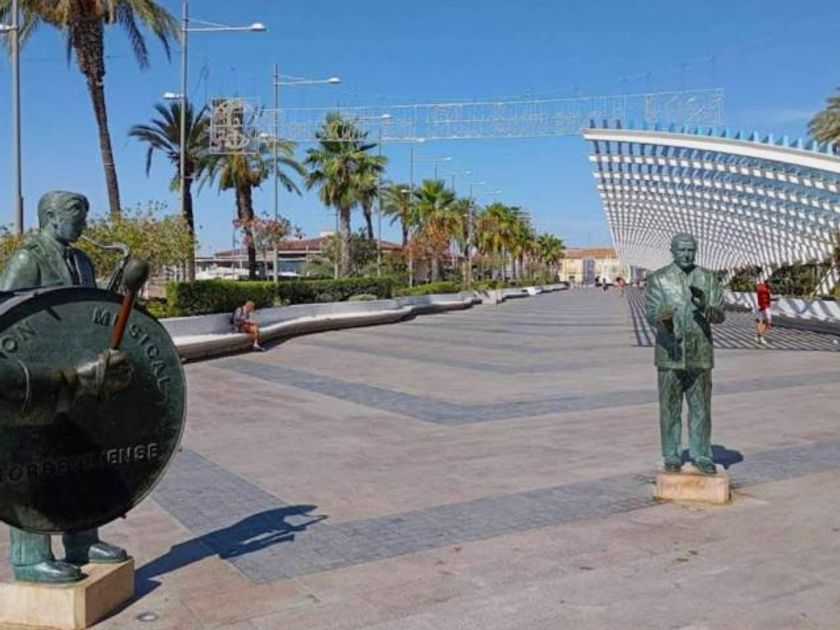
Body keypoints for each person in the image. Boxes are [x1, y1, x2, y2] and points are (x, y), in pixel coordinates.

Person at [0, 191, 132, 583]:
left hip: (77, 376)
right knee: (31, 466)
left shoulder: (83, 261)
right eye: (78, 214)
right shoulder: (28, 259)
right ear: (51, 216)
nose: (85, 223)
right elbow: (8, 317)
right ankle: (30, 558)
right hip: (38, 378)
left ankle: (82, 542)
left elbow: (86, 314)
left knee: (81, 461)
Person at [644, 233, 725, 475]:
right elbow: (651, 313)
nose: (687, 254)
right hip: (670, 353)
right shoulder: (658, 279)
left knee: (701, 408)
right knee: (669, 407)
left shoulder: (708, 278)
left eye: (691, 250)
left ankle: (701, 454)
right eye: (682, 250)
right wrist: (664, 318)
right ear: (672, 251)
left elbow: (720, 315)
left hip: (700, 353)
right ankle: (671, 453)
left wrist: (705, 306)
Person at [754, 278, 772, 346]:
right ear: (767, 282)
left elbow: (764, 298)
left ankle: (758, 336)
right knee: (768, 323)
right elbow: (764, 298)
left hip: (760, 307)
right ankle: (760, 337)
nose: (771, 284)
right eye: (771, 283)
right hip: (765, 307)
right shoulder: (765, 289)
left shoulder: (760, 288)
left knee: (761, 322)